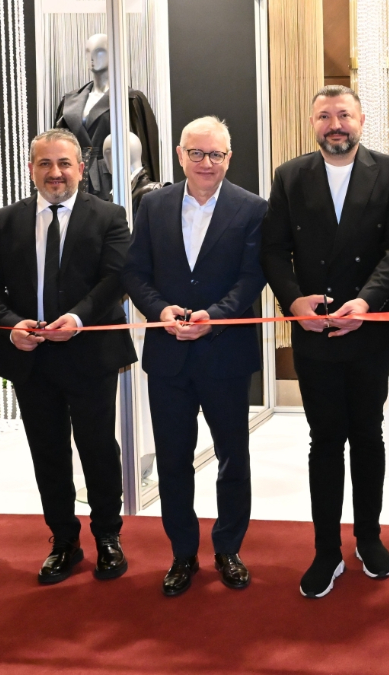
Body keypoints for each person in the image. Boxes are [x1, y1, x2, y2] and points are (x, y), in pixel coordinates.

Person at [261, 85, 389, 598]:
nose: (335, 125)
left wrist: (367, 303)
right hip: (314, 330)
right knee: (325, 440)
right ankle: (326, 550)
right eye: (324, 116)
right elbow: (273, 249)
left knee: (368, 435)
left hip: (369, 328)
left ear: (361, 120)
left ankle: (368, 538)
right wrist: (294, 303)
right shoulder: (289, 176)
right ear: (313, 124)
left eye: (344, 115)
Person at [0, 128, 137, 585]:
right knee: (47, 452)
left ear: (80, 169)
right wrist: (10, 325)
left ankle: (108, 536)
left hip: (90, 354)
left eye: (64, 163)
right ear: (31, 169)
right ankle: (63, 540)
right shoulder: (4, 221)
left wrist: (78, 318)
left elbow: (116, 278)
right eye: (45, 163)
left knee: (98, 448)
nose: (55, 172)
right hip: (31, 357)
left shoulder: (109, 216)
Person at [122, 117, 267, 597]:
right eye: (197, 153)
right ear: (180, 155)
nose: (207, 163)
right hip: (168, 358)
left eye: (216, 154)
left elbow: (252, 277)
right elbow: (135, 271)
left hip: (226, 355)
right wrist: (159, 310)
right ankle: (183, 553)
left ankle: (228, 548)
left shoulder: (252, 208)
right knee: (173, 461)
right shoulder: (153, 205)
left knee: (232, 458)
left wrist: (216, 316)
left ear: (229, 157)